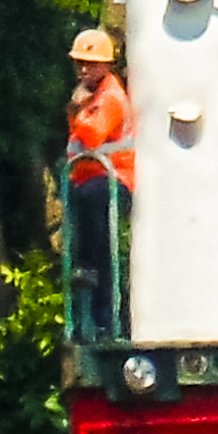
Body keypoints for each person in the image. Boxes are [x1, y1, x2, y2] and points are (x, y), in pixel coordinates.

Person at [63, 26, 135, 340]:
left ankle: (103, 308)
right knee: (84, 205)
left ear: (106, 65)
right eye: (79, 63)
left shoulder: (110, 98)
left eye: (89, 64)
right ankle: (86, 272)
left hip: (115, 179)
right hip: (90, 180)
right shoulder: (94, 96)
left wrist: (78, 110)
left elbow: (92, 135)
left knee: (100, 238)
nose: (83, 69)